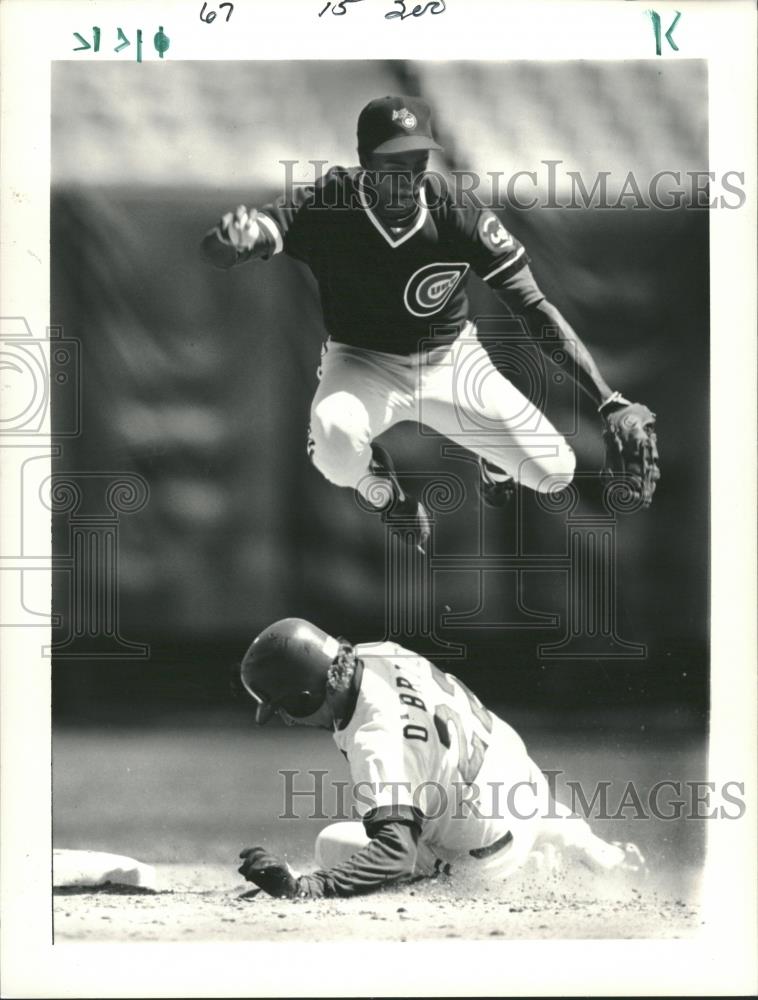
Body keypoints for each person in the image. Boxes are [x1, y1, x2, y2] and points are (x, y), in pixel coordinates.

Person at [202, 95, 660, 553]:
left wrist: (607, 399)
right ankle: (384, 493)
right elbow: (228, 248)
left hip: (452, 362)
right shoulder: (328, 201)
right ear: (365, 161)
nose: (409, 176)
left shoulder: (455, 209)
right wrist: (234, 240)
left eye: (418, 160)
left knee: (554, 472)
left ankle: (494, 462)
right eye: (393, 163)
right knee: (334, 442)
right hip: (363, 363)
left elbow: (532, 305)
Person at [236, 618, 645, 900]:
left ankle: (527, 870)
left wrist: (307, 887)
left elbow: (394, 853)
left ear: (305, 698)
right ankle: (585, 846)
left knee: (331, 846)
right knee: (466, 784)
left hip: (484, 860)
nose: (287, 720)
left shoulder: (375, 740)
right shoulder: (378, 651)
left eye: (283, 709)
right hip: (524, 783)